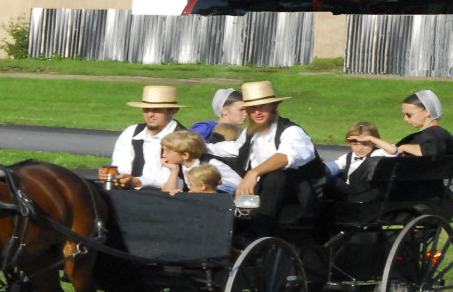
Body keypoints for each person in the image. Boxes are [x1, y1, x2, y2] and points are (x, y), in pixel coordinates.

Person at [215, 81, 323, 237]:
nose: (257, 112)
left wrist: (254, 173)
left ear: (274, 106)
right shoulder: (250, 133)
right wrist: (197, 147)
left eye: (263, 107)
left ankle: (259, 233)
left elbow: (286, 156)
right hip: (260, 193)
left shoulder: (292, 131)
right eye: (252, 108)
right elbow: (234, 149)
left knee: (275, 176)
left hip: (296, 198)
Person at [99, 85, 188, 189]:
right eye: (146, 109)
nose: (150, 114)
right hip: (130, 193)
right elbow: (120, 166)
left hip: (170, 198)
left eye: (156, 110)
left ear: (172, 111)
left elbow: (177, 181)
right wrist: (111, 175)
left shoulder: (185, 138)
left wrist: (138, 181)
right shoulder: (131, 132)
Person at [360, 90, 453, 159]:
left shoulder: (428, 137)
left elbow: (433, 151)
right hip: (436, 188)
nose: (405, 119)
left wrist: (404, 147)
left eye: (409, 115)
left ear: (427, 112)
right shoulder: (447, 136)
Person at [326, 121, 398, 202]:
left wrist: (370, 138)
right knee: (326, 180)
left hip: (365, 193)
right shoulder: (349, 156)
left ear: (373, 142)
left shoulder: (377, 153)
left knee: (334, 182)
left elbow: (393, 150)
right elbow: (335, 165)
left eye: (364, 144)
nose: (360, 148)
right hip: (349, 192)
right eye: (355, 144)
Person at [159, 130, 242, 195]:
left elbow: (236, 184)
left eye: (167, 151)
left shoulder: (211, 164)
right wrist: (174, 170)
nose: (163, 155)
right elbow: (167, 194)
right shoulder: (178, 166)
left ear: (185, 155)